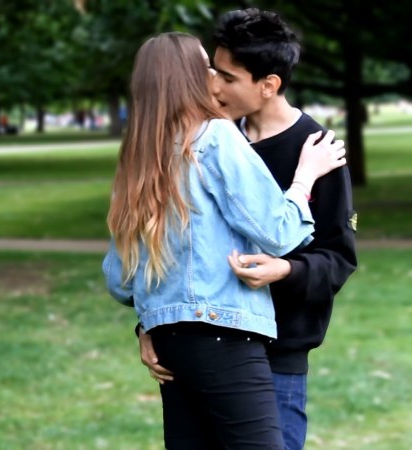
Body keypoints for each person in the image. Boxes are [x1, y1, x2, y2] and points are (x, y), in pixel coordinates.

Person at [102, 32, 346, 449]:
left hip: (170, 345)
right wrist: (306, 174)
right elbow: (280, 232)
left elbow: (120, 278)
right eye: (207, 67)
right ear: (189, 78)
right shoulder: (214, 136)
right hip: (226, 336)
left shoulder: (143, 157)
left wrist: (152, 320)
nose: (214, 77)